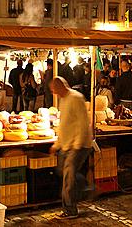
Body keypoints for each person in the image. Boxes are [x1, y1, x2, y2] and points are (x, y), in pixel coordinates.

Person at [49, 77, 92, 219]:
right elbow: (64, 124)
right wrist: (57, 145)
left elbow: (82, 123)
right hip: (67, 145)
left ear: (61, 86)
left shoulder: (76, 98)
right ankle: (86, 188)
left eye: (54, 90)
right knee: (63, 171)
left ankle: (70, 210)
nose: (54, 93)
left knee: (68, 176)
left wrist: (77, 146)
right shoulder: (63, 100)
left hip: (78, 145)